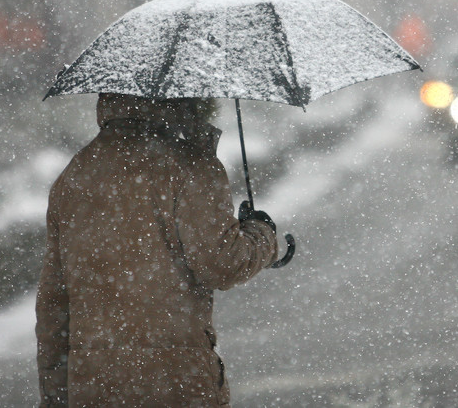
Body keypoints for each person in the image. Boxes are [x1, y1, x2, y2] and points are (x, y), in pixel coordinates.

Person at [36, 93, 278, 408]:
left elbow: (54, 304)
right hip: (176, 383)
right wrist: (263, 235)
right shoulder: (190, 166)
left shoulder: (74, 176)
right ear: (188, 98)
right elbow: (223, 263)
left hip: (94, 385)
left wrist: (55, 396)